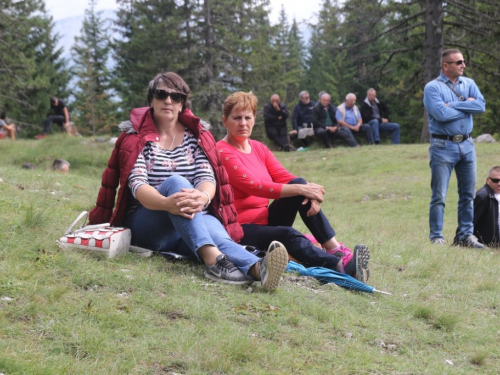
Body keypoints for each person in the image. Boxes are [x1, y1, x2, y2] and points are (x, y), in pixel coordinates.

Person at [88, 72, 288, 289]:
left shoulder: (196, 137)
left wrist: (202, 197)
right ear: (151, 99)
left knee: (215, 231)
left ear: (183, 103)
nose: (168, 100)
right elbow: (137, 185)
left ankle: (258, 270)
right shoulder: (135, 137)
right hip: (148, 222)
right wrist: (167, 203)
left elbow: (206, 178)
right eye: (161, 94)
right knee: (176, 182)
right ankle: (214, 261)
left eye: (176, 96)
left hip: (189, 217)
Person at [216, 91, 370, 282]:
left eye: (248, 117)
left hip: (266, 221)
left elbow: (284, 177)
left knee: (298, 183)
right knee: (287, 233)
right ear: (225, 121)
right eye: (236, 118)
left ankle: (334, 249)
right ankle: (340, 267)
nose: (243, 123)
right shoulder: (222, 151)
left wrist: (311, 191)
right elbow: (253, 186)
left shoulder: (258, 148)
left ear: (254, 119)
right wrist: (303, 189)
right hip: (240, 229)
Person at [423, 48, 486, 247]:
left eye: (463, 61)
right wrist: (465, 105)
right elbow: (441, 114)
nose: (463, 65)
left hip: (467, 145)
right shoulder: (432, 88)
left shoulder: (469, 83)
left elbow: (481, 106)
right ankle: (436, 238)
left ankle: (465, 236)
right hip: (442, 146)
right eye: (459, 62)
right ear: (446, 66)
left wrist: (452, 105)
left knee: (468, 195)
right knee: (439, 196)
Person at [454, 166, 500, 247]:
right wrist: (459, 240)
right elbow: (468, 222)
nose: (499, 184)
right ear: (488, 180)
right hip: (489, 244)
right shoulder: (482, 196)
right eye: (495, 180)